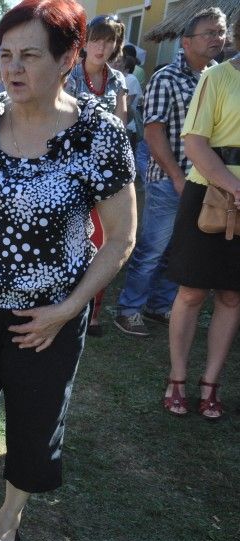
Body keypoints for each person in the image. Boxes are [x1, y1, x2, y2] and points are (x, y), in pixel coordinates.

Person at [0, 0, 136, 541]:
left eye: (30, 56)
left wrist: (66, 311)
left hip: (47, 318)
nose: (12, 69)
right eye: (5, 56)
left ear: (69, 59)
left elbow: (120, 239)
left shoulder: (100, 136)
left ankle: (8, 520)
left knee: (33, 421)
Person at [114, 7, 227, 338]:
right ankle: (129, 309)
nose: (217, 39)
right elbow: (153, 133)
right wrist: (177, 177)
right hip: (170, 181)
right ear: (187, 41)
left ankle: (159, 305)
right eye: (209, 33)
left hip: (206, 183)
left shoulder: (218, 76)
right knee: (152, 250)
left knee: (180, 251)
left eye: (221, 33)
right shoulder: (167, 78)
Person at [161, 17, 240, 421]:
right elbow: (195, 144)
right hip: (208, 192)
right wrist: (235, 188)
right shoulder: (218, 78)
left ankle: (210, 384)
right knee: (192, 292)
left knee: (232, 295)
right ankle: (177, 379)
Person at [64, 13, 128, 335]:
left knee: (105, 240)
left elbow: (121, 123)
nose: (102, 47)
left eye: (109, 40)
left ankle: (94, 310)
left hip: (104, 172)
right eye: (96, 39)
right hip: (70, 168)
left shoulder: (117, 80)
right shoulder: (69, 72)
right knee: (74, 236)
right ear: (85, 42)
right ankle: (68, 299)